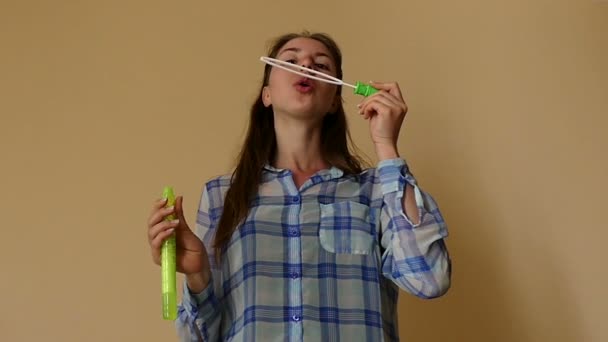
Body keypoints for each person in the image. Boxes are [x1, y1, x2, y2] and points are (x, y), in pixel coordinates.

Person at [146, 31, 451, 342]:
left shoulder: (374, 190)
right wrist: (197, 273)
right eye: (291, 60)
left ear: (335, 100)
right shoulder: (222, 196)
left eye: (322, 65)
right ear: (267, 94)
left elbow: (429, 279)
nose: (306, 65)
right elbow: (199, 337)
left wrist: (386, 145)